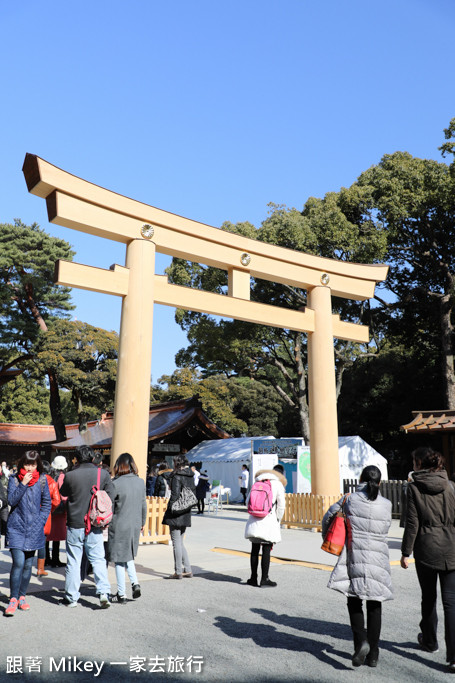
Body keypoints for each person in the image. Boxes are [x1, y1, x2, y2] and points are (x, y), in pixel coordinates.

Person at [322, 465, 393, 668]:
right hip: (378, 557)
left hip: (354, 552)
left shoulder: (349, 499)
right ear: (380, 482)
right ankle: (374, 654)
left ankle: (360, 642)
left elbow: (328, 517)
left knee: (354, 599)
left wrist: (328, 536)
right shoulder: (386, 504)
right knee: (374, 603)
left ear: (360, 479)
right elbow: (386, 527)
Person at [401, 447, 455, 672]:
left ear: (420, 465)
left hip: (426, 547)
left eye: (414, 462)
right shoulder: (451, 485)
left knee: (429, 597)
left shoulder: (413, 489)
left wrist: (406, 552)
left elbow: (412, 523)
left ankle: (430, 641)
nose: (413, 465)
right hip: (452, 546)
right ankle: (454, 657)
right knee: (451, 602)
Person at [59, 445, 114, 608]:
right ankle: (104, 592)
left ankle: (71, 597)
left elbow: (63, 492)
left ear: (76, 458)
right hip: (94, 523)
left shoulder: (70, 475)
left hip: (75, 522)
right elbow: (111, 494)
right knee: (98, 558)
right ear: (92, 457)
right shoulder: (102, 474)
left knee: (74, 560)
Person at [5, 450, 51, 616]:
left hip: (34, 528)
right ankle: (13, 598)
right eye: (27, 464)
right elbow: (11, 501)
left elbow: (46, 505)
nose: (30, 467)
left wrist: (40, 522)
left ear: (37, 464)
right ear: (22, 464)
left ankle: (22, 596)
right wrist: (23, 483)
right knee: (18, 562)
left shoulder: (43, 480)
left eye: (33, 464)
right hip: (16, 527)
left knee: (27, 565)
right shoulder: (14, 479)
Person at [107, 453, 147, 603]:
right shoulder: (140, 482)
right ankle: (135, 582)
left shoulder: (115, 484)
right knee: (128, 555)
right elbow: (144, 504)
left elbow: (110, 507)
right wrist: (142, 522)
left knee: (118, 559)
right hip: (135, 524)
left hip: (119, 524)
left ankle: (121, 594)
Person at [244, 464, 286, 588]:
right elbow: (281, 506)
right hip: (269, 520)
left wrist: (255, 512)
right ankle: (264, 579)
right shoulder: (277, 484)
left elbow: (247, 502)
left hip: (254, 521)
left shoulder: (257, 482)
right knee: (266, 550)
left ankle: (253, 578)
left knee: (254, 550)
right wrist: (277, 519)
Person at [162, 455, 196, 579]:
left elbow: (175, 496)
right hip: (186, 511)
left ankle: (178, 571)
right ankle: (187, 569)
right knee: (180, 542)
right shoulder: (190, 476)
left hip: (176, 512)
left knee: (176, 543)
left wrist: (170, 509)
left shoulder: (177, 476)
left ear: (177, 463)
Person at [36, 460, 61, 577]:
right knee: (44, 538)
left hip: (33, 513)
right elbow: (56, 501)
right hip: (46, 514)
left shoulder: (34, 480)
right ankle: (41, 566)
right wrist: (49, 509)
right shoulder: (52, 482)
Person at [46, 455, 69, 567]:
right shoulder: (63, 477)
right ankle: (55, 559)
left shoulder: (49, 476)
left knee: (47, 535)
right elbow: (64, 495)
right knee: (56, 537)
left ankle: (45, 558)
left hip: (49, 508)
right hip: (59, 510)